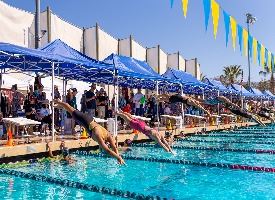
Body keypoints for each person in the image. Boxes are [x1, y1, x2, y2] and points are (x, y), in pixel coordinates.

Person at [52, 99, 125, 165]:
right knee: (70, 109)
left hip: (89, 120)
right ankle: (58, 101)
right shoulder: (99, 137)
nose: (105, 146)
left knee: (70, 111)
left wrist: (118, 156)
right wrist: (118, 158)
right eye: (106, 145)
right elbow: (108, 151)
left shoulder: (108, 135)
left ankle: (59, 105)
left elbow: (114, 148)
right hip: (85, 120)